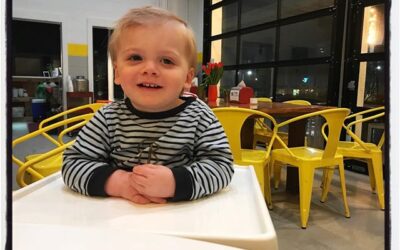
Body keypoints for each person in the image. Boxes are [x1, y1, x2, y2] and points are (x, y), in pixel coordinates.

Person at [62, 6, 234, 204]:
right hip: (118, 220)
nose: (150, 69)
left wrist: (175, 183)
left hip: (181, 219)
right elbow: (72, 164)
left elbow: (221, 166)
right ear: (117, 72)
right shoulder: (107, 118)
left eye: (166, 60)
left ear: (187, 78)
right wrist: (119, 183)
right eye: (136, 58)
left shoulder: (200, 117)